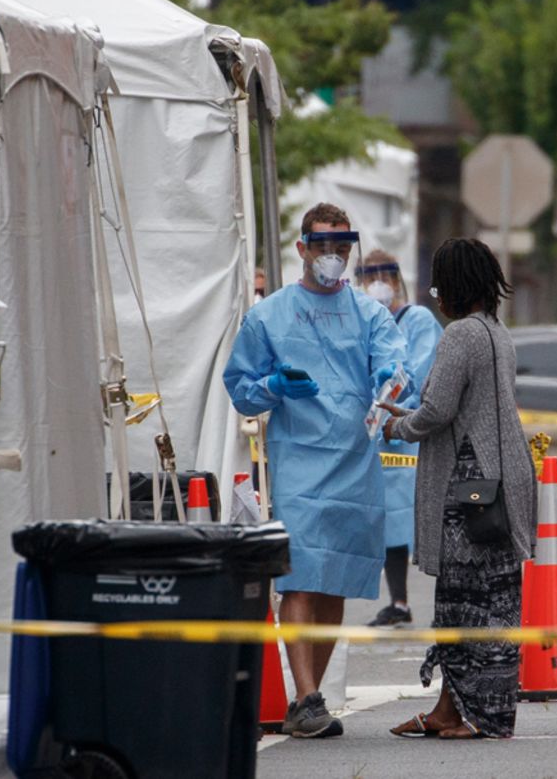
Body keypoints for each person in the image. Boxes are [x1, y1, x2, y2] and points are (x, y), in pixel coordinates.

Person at [223, 202, 408, 739]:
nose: (332, 256)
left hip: (354, 463)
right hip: (300, 461)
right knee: (301, 576)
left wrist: (389, 386)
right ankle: (304, 695)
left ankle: (309, 700)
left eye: (341, 246)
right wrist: (273, 388)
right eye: (321, 245)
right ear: (301, 248)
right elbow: (241, 388)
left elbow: (395, 370)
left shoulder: (370, 316)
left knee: (334, 582)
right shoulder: (269, 316)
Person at [380, 238, 536, 740]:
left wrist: (396, 427)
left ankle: (475, 715)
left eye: (437, 285)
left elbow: (440, 410)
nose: (435, 296)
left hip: (468, 489)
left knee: (465, 601)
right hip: (502, 480)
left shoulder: (459, 336)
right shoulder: (498, 332)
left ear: (452, 287)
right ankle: (454, 709)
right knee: (489, 600)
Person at [357, 250, 444, 627]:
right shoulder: (364, 323)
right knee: (389, 522)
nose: (377, 283)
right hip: (378, 437)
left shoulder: (418, 320)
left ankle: (450, 604)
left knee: (423, 520)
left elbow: (420, 372)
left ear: (397, 279)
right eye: (368, 276)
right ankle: (399, 602)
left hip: (410, 434)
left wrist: (391, 407)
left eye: (383, 275)